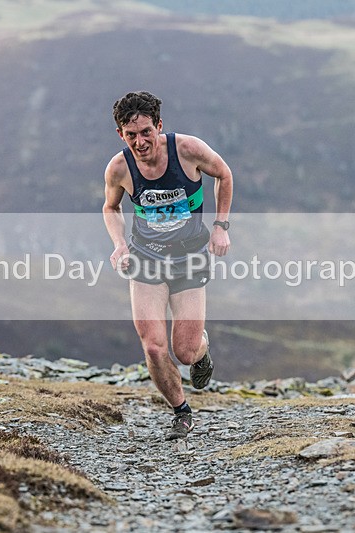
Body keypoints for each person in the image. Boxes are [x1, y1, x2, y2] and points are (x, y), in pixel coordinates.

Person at [102, 91, 233, 440]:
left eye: (146, 132)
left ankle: (201, 350)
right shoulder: (119, 168)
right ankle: (181, 411)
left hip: (189, 257)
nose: (140, 141)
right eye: (131, 135)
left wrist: (220, 227)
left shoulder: (188, 150)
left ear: (159, 126)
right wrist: (119, 245)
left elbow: (224, 174)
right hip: (146, 257)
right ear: (120, 134)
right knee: (154, 346)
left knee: (185, 351)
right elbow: (110, 208)